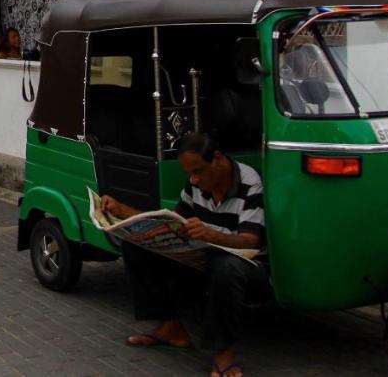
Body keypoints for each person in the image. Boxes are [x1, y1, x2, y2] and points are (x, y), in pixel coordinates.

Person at [100, 132, 268, 377]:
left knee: (226, 267)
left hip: (245, 266)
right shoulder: (196, 183)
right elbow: (174, 221)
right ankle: (171, 328)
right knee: (135, 245)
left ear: (218, 159)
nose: (194, 179)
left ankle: (224, 352)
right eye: (190, 173)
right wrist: (124, 211)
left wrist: (210, 235)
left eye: (198, 172)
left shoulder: (249, 183)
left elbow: (250, 241)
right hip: (203, 258)